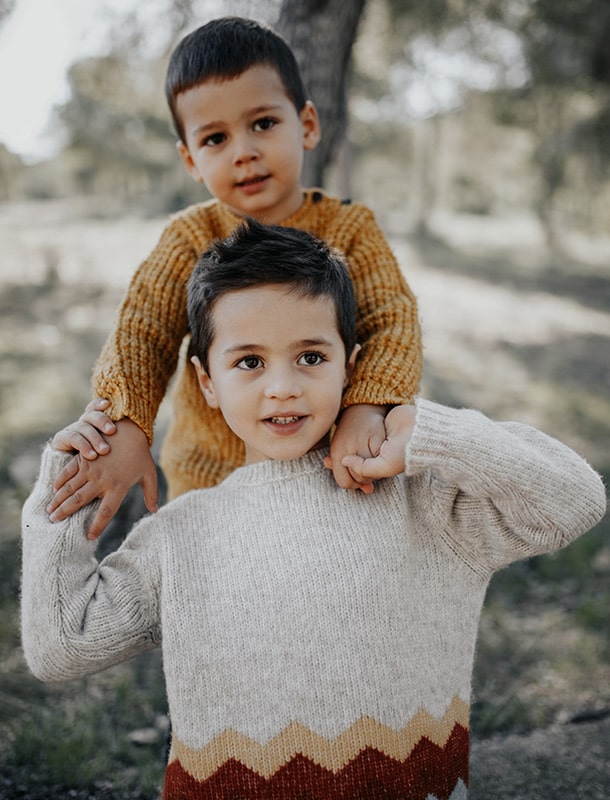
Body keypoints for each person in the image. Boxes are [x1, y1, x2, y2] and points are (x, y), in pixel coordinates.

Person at [22, 220, 606, 800]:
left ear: (349, 365)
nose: (282, 386)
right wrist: (68, 477)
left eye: (309, 356)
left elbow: (573, 501)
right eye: (249, 362)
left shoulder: (420, 502)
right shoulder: (180, 535)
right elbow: (61, 648)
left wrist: (428, 430)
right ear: (205, 382)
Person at [46, 15, 423, 540]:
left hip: (330, 470)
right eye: (216, 138)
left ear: (307, 125)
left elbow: (392, 323)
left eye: (263, 124)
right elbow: (143, 331)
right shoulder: (188, 237)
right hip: (209, 482)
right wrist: (128, 421)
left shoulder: (349, 229)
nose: (243, 150)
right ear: (191, 160)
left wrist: (367, 406)